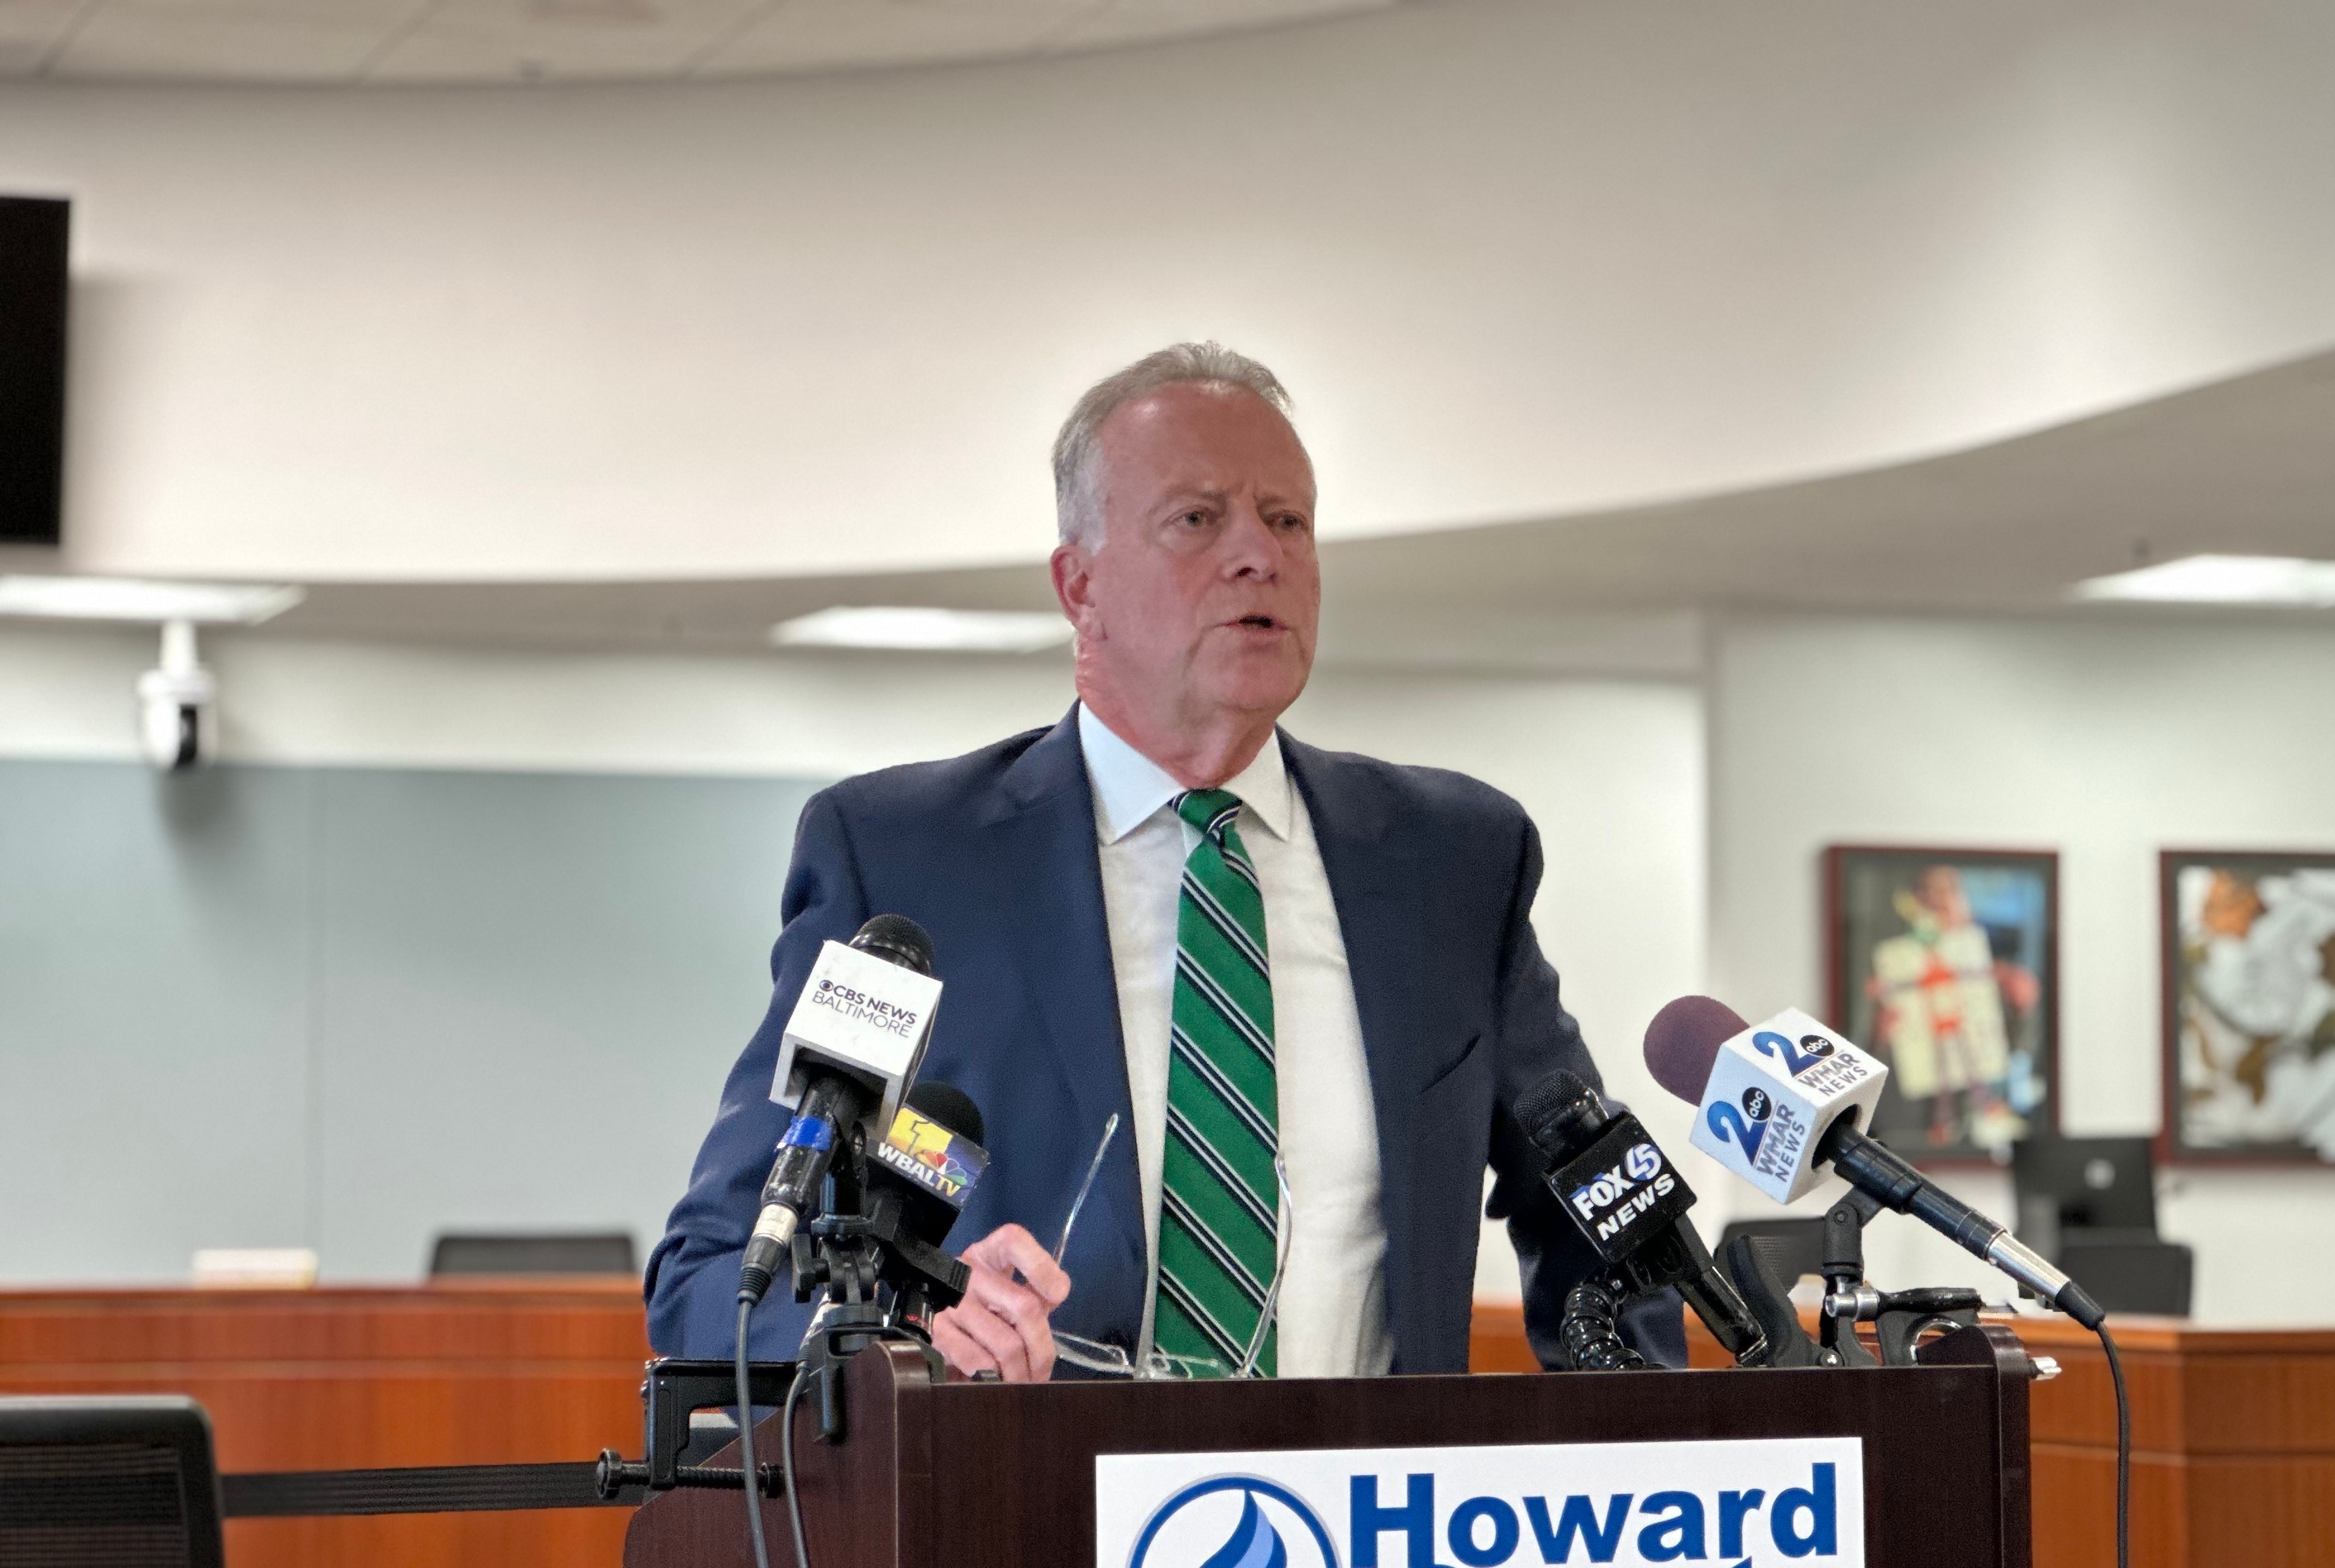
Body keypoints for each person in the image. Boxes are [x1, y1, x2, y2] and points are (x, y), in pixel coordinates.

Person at [644, 342, 1682, 1379]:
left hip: (1379, 1524)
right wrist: (907, 1342)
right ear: (1080, 584)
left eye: (1287, 521)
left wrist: (1636, 1449)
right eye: (1197, 520)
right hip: (1017, 1520)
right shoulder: (909, 863)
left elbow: (1603, 1217)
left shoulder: (1451, 862)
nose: (1258, 556)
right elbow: (716, 1276)